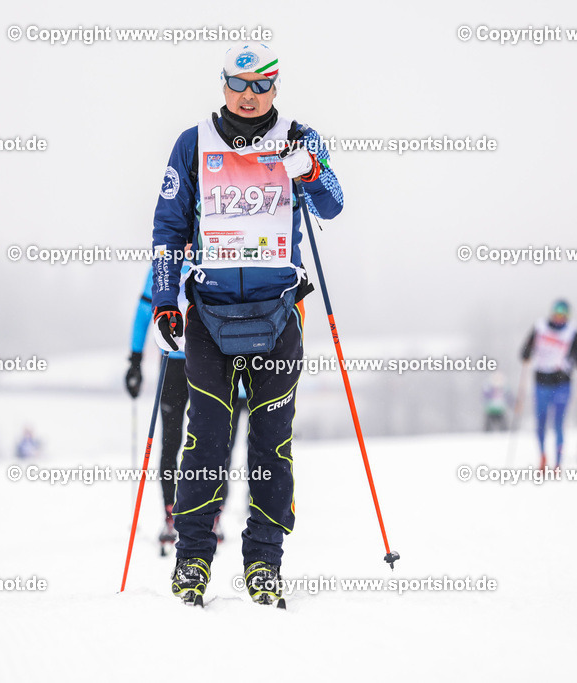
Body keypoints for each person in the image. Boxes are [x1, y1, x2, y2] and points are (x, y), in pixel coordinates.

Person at [150, 43, 342, 605]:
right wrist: (165, 301)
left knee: (271, 447)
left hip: (278, 313)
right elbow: (168, 227)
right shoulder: (192, 144)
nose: (251, 96)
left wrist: (313, 170)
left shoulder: (299, 137)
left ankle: (264, 563)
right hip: (208, 317)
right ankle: (191, 563)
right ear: (224, 85)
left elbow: (332, 205)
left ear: (276, 88)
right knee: (204, 444)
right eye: (240, 84)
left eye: (263, 85)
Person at [125, 263, 247, 552]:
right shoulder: (165, 265)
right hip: (173, 362)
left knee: (217, 440)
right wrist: (135, 361)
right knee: (171, 440)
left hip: (211, 358)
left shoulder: (213, 255)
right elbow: (145, 311)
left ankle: (213, 513)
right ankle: (171, 512)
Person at [520, 300, 577, 471]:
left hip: (562, 382)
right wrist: (527, 353)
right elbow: (524, 351)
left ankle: (558, 461)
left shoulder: (572, 331)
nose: (559, 318)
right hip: (541, 381)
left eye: (563, 315)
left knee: (558, 423)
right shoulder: (540, 327)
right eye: (557, 314)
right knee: (541, 422)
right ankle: (542, 456)